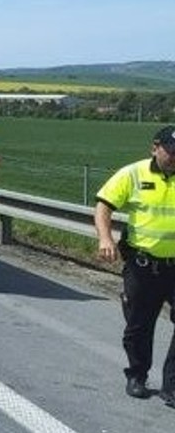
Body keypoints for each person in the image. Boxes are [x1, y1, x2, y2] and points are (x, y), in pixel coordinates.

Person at [94, 125, 175, 405]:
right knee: (140, 324)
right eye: (171, 152)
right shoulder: (133, 173)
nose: (174, 158)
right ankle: (137, 376)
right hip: (144, 265)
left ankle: (172, 385)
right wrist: (105, 237)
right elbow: (104, 205)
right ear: (155, 147)